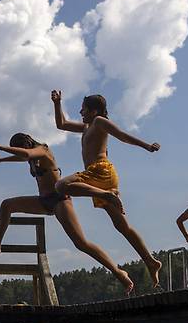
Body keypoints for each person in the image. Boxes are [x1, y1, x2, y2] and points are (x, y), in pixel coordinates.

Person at [0, 132, 134, 294]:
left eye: (20, 148)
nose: (20, 151)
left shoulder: (42, 149)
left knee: (81, 243)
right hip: (43, 201)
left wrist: (0, 147)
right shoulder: (30, 157)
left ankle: (118, 271)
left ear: (28, 143)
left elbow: (26, 154)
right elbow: (23, 157)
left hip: (60, 200)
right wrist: (0, 160)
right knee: (7, 205)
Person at [51, 90, 162, 289]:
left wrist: (146, 146)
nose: (81, 112)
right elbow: (61, 124)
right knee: (121, 226)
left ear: (95, 111)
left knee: (61, 185)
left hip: (101, 172)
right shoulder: (86, 126)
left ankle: (106, 195)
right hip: (95, 176)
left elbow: (122, 136)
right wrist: (57, 103)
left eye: (84, 109)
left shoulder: (100, 122)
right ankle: (151, 261)